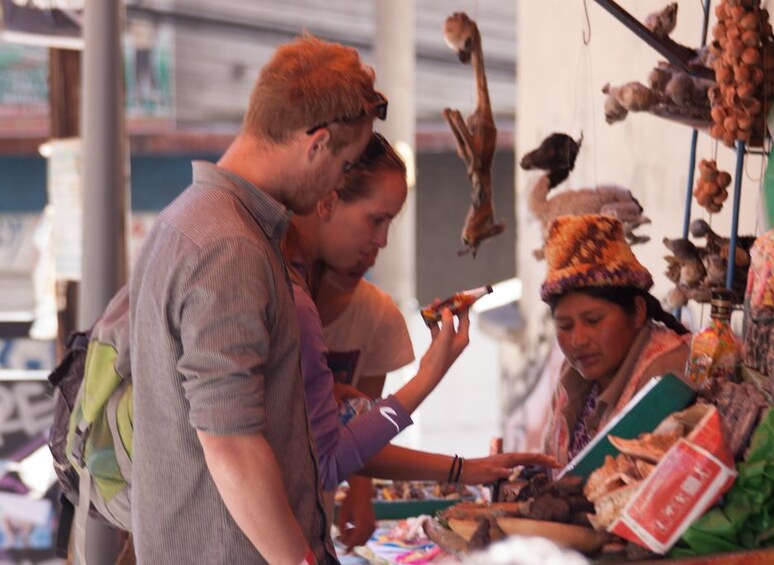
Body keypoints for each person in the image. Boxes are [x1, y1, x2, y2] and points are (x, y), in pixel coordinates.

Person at [128, 35, 387, 565]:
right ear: (315, 143)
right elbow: (230, 440)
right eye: (345, 164)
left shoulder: (189, 218)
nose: (338, 184)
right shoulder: (229, 246)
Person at [285, 133, 559, 547]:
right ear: (327, 200)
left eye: (390, 222)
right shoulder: (288, 301)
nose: (382, 242)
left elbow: (358, 437)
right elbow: (334, 457)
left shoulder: (370, 314)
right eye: (376, 220)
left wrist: (466, 470)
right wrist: (429, 376)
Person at [539, 214, 692, 465]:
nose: (577, 340)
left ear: (638, 312)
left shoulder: (667, 373)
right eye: (565, 325)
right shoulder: (573, 373)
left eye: (594, 320)